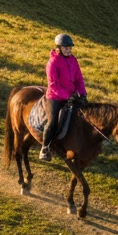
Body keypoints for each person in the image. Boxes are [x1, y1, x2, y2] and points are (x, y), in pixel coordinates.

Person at [39, 33, 88, 161]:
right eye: (66, 48)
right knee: (53, 122)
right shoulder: (53, 63)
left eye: (70, 48)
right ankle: (45, 148)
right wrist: (68, 96)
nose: (69, 50)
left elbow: (79, 78)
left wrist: (82, 94)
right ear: (59, 48)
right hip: (55, 97)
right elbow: (54, 85)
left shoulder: (73, 60)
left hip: (71, 96)